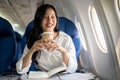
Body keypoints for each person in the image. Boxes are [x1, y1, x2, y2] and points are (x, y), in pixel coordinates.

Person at [16, 4, 77, 74]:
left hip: (63, 76)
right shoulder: (34, 38)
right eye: (45, 17)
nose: (50, 20)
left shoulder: (66, 39)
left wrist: (62, 50)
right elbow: (20, 70)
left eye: (53, 17)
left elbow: (73, 68)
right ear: (39, 20)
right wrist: (31, 50)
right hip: (44, 76)